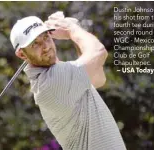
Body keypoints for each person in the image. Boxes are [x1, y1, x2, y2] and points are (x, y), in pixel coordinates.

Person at [10, 12, 127, 150]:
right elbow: (99, 52)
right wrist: (71, 29)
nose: (46, 46)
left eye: (46, 37)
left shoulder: (62, 74)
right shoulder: (51, 83)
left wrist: (73, 33)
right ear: (22, 54)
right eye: (35, 44)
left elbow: (98, 79)